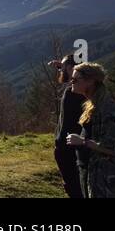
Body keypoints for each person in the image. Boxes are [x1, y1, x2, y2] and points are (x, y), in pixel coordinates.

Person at [64, 63, 115, 198]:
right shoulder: (92, 105)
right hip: (95, 179)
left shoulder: (108, 109)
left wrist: (83, 142)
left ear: (90, 81)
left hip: (109, 184)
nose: (71, 82)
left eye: (75, 79)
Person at [47, 55, 85, 198]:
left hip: (68, 147)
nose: (61, 70)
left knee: (74, 185)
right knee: (75, 183)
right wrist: (60, 66)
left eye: (64, 67)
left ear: (70, 68)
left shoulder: (73, 92)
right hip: (71, 145)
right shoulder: (82, 89)